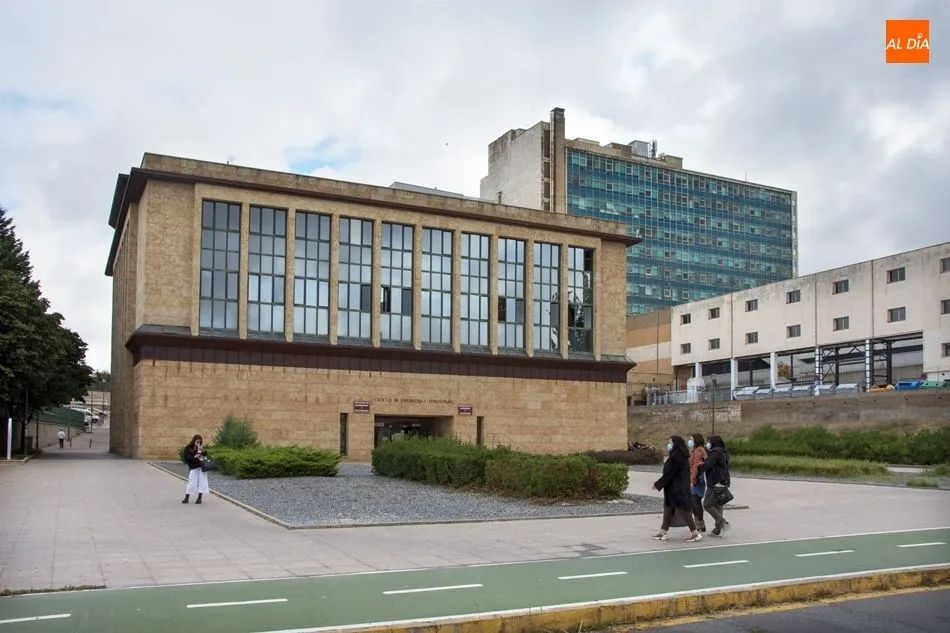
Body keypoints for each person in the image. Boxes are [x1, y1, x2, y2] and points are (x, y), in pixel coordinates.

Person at [652, 435, 703, 542]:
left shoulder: (677, 456)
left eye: (670, 442)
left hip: (677, 489)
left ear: (675, 443)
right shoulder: (680, 455)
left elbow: (670, 473)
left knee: (684, 510)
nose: (669, 444)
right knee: (668, 509)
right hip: (674, 488)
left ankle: (695, 533)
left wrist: (658, 484)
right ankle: (663, 532)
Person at [698, 434, 731, 536]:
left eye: (709, 441)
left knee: (707, 504)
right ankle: (717, 530)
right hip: (723, 481)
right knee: (718, 505)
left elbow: (708, 465)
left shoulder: (715, 452)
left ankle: (722, 522)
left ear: (713, 442)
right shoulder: (724, 452)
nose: (708, 443)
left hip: (715, 481)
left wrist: (700, 466)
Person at [688, 433, 708, 532]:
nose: (690, 441)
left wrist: (692, 480)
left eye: (691, 439)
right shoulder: (701, 450)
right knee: (697, 502)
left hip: (696, 480)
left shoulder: (697, 451)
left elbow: (695, 467)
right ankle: (700, 524)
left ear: (696, 440)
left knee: (695, 502)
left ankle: (699, 524)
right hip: (700, 479)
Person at [182, 434, 210, 504]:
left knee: (202, 482)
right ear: (194, 441)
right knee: (192, 482)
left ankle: (199, 498)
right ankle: (187, 497)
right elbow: (187, 458)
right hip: (193, 467)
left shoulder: (200, 447)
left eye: (200, 442)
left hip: (201, 467)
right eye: (197, 441)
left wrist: (203, 451)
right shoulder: (188, 448)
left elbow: (205, 457)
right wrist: (194, 456)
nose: (198, 443)